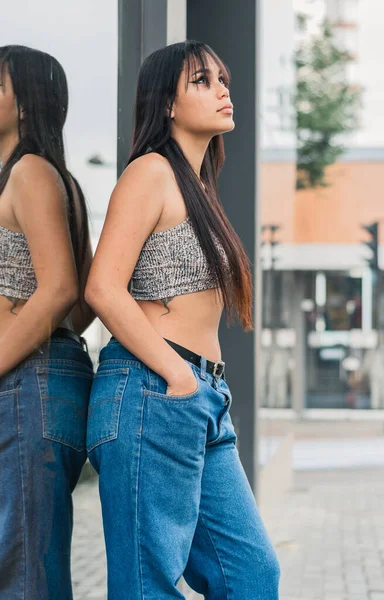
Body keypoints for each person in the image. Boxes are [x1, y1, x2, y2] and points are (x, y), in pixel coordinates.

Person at [85, 40, 280, 599]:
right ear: (165, 103)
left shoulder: (197, 187)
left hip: (200, 400)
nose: (222, 89)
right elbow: (102, 286)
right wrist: (176, 374)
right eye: (202, 81)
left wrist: (194, 385)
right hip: (153, 390)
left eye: (223, 79)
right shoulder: (150, 173)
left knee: (251, 575)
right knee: (147, 587)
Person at [0, 45, 95, 599]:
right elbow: (80, 303)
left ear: (27, 105)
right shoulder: (56, 178)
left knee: (25, 574)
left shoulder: (31, 173)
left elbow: (61, 289)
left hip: (27, 386)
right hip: (35, 381)